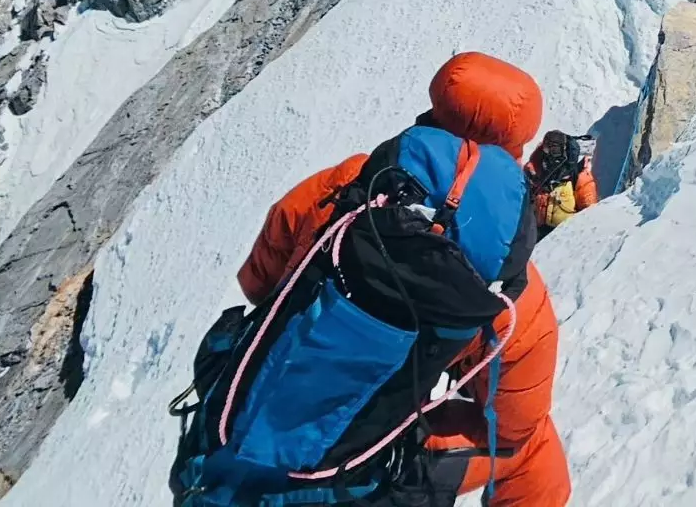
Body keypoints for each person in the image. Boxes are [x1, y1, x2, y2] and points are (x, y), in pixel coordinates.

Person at [175, 53, 570, 507]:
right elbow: (513, 421)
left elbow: (259, 281)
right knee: (530, 446)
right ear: (518, 144)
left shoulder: (347, 184)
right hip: (351, 473)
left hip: (235, 418)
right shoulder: (509, 281)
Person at [525, 132, 598, 237]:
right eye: (547, 149)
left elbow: (589, 211)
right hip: (536, 229)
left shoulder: (578, 174)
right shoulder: (536, 169)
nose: (550, 154)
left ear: (564, 150)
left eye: (554, 150)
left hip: (565, 236)